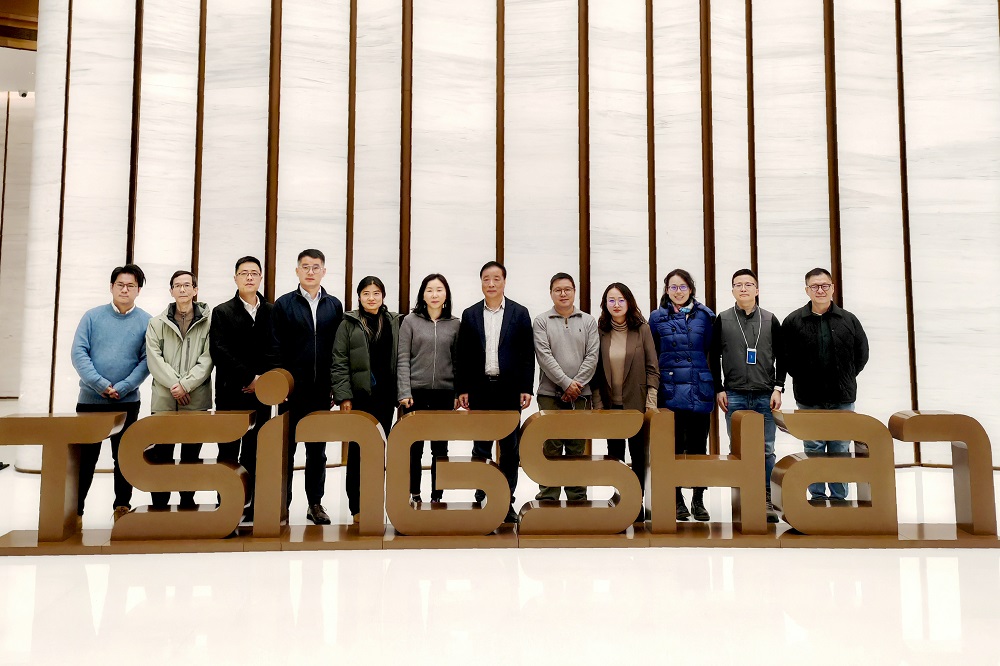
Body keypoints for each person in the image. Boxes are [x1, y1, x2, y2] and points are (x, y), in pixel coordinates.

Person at [71, 264, 152, 524]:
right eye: (120, 285)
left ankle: (122, 507)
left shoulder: (147, 321)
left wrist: (124, 386)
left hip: (127, 402)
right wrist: (100, 384)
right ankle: (75, 510)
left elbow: (147, 360)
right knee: (85, 460)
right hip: (91, 401)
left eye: (131, 286)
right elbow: (79, 353)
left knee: (124, 458)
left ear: (138, 290)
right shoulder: (92, 317)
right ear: (111, 287)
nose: (125, 290)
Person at [456, 261, 534, 525]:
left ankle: (506, 501)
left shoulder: (519, 313)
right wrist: (463, 388)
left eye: (496, 279)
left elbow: (527, 354)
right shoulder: (470, 314)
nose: (491, 284)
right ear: (481, 282)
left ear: (504, 282)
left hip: (508, 389)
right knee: (481, 446)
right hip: (480, 388)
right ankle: (482, 496)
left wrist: (526, 387)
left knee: (510, 448)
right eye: (486, 279)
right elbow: (463, 355)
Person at [782, 267, 869, 502]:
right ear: (807, 290)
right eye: (814, 286)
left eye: (824, 286)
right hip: (809, 398)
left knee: (840, 448)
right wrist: (804, 378)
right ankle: (817, 498)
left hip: (842, 398)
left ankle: (839, 499)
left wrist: (845, 377)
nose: (820, 290)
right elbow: (787, 358)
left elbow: (861, 354)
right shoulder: (793, 321)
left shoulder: (848, 320)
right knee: (814, 449)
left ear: (832, 288)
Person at [271, 249, 344, 525]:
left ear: (324, 271)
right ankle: (282, 504)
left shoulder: (334, 305)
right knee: (286, 450)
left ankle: (315, 504)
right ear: (297, 271)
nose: (310, 272)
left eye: (315, 267)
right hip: (291, 391)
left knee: (317, 451)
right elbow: (275, 348)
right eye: (305, 267)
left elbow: (339, 350)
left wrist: (336, 385)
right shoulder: (283, 305)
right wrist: (280, 385)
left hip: (321, 390)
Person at [710, 268, 784, 522]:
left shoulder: (770, 319)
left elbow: (782, 356)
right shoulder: (723, 319)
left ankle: (766, 499)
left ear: (757, 290)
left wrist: (778, 387)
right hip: (735, 395)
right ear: (732, 290)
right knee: (738, 449)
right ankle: (742, 499)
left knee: (766, 449)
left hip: (765, 394)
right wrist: (719, 388)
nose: (743, 288)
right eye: (738, 284)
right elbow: (713, 356)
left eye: (748, 284)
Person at [331, 276, 401, 522]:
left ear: (383, 296)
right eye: (366, 294)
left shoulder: (393, 321)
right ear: (359, 297)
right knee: (357, 451)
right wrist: (343, 396)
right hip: (360, 398)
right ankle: (356, 507)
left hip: (385, 397)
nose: (371, 298)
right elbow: (339, 361)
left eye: (376, 293)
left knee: (379, 451)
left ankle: (375, 502)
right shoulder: (348, 324)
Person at [649, 269, 716, 522]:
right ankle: (676, 498)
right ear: (666, 290)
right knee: (672, 446)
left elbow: (709, 350)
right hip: (670, 389)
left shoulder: (705, 316)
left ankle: (698, 499)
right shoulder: (656, 318)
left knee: (699, 446)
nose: (678, 292)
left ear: (691, 289)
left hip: (698, 388)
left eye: (683, 287)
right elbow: (653, 353)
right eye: (673, 287)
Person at [210, 256, 274, 521]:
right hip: (231, 392)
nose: (249, 277)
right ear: (235, 278)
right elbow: (219, 351)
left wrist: (262, 380)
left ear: (260, 278)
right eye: (244, 273)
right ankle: (226, 505)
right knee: (228, 451)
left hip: (262, 395)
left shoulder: (271, 311)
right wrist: (248, 378)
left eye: (254, 273)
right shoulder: (222, 311)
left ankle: (251, 506)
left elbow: (276, 349)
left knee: (255, 451)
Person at [591, 282, 659, 522]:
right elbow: (595, 371)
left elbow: (652, 368)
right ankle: (620, 499)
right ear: (605, 304)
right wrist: (598, 404)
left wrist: (651, 402)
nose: (616, 304)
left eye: (621, 300)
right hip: (611, 405)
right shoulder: (600, 331)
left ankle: (637, 501)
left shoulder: (642, 329)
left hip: (637, 404)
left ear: (629, 302)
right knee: (615, 455)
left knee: (639, 455)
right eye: (611, 300)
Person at [145, 270, 213, 509]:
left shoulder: (209, 323)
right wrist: (176, 385)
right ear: (171, 291)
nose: (182, 289)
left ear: (195, 290)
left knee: (191, 456)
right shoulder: (156, 323)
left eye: (187, 285)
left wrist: (186, 385)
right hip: (164, 400)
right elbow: (154, 359)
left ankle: (187, 502)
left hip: (196, 399)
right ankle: (159, 505)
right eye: (177, 285)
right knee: (161, 455)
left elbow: (208, 358)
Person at [532, 272, 599, 501]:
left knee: (576, 448)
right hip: (549, 394)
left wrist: (575, 385)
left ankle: (577, 497)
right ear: (551, 293)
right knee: (550, 446)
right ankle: (548, 496)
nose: (563, 294)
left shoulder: (588, 321)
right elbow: (544, 356)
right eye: (558, 290)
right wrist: (566, 383)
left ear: (574, 291)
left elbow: (592, 357)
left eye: (567, 289)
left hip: (581, 395)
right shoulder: (541, 321)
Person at [397, 273, 460, 504]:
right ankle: (414, 493)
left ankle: (437, 496)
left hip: (444, 393)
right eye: (430, 290)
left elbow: (458, 362)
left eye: (439, 290)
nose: (434, 295)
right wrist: (404, 391)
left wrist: (456, 393)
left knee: (440, 449)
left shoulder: (455, 324)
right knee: (414, 447)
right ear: (422, 295)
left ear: (446, 295)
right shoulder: (410, 321)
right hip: (415, 394)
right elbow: (403, 358)